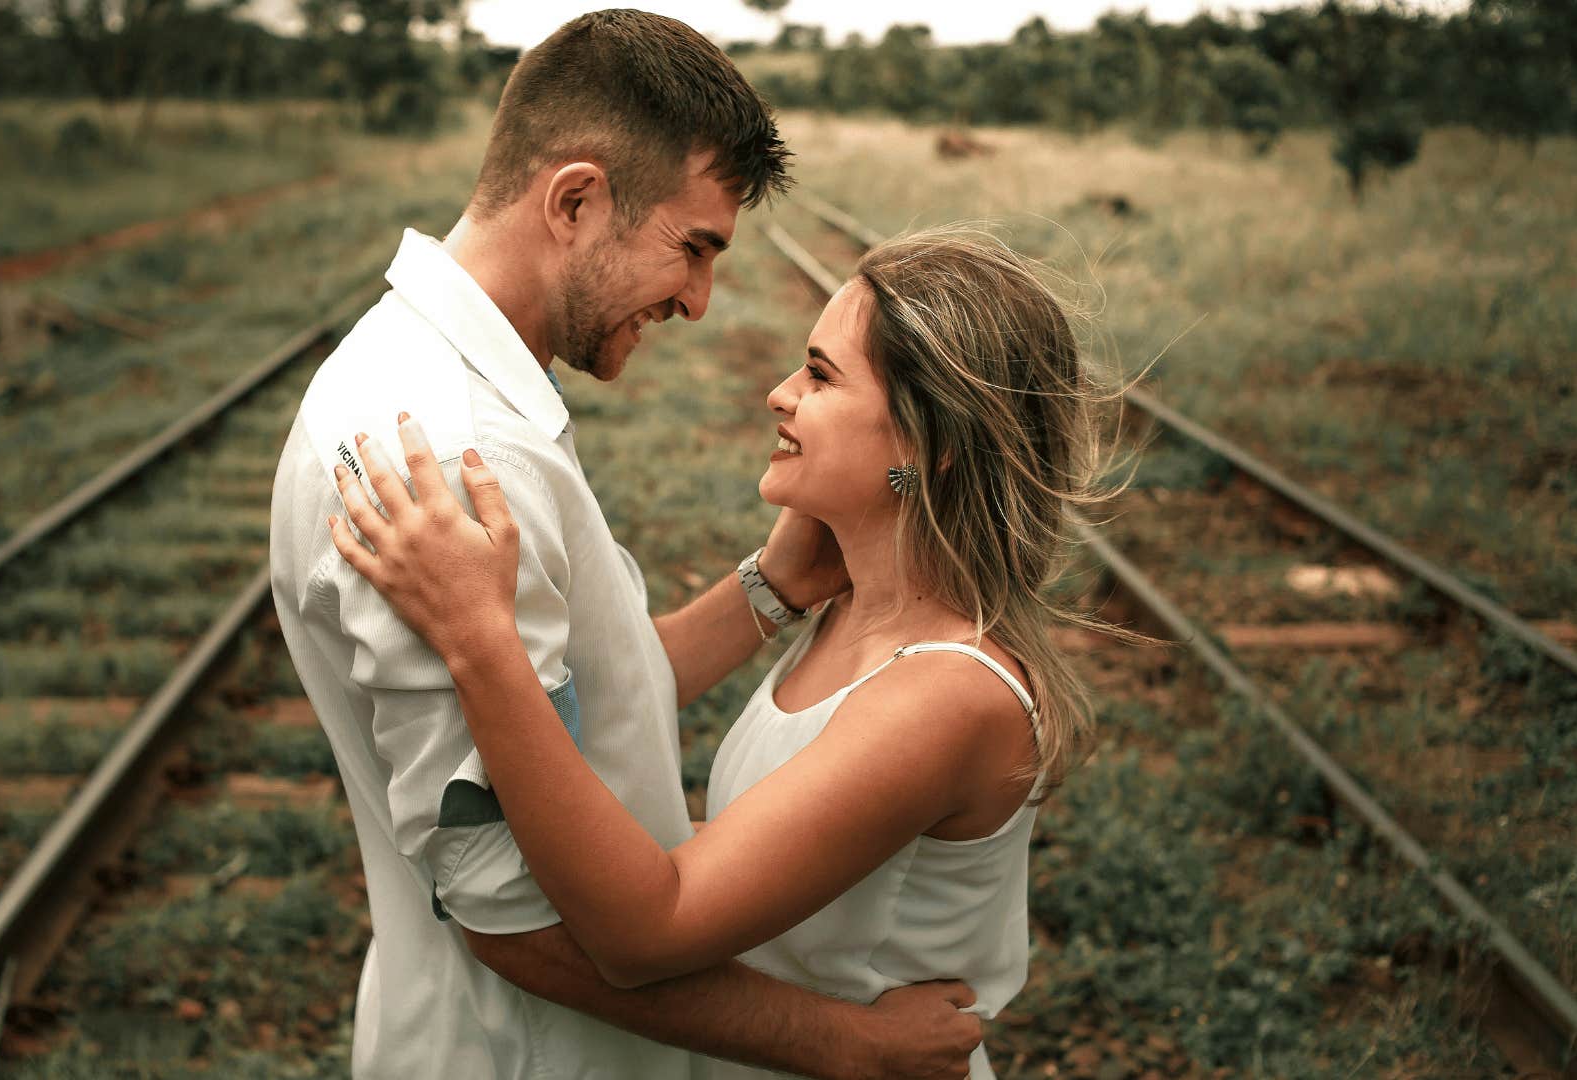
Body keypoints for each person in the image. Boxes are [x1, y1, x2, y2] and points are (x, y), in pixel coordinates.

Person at [268, 9, 985, 1079]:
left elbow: (569, 708)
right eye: (692, 248)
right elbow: (512, 915)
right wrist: (846, 1045)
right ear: (575, 201)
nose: (697, 301)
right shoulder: (456, 460)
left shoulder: (427, 382)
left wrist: (770, 588)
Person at [326, 225, 1116, 1080]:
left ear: (927, 441)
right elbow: (705, 782)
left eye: (819, 375)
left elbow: (644, 934)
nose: (780, 395)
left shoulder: (944, 697)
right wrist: (770, 587)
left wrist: (478, 637)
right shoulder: (852, 611)